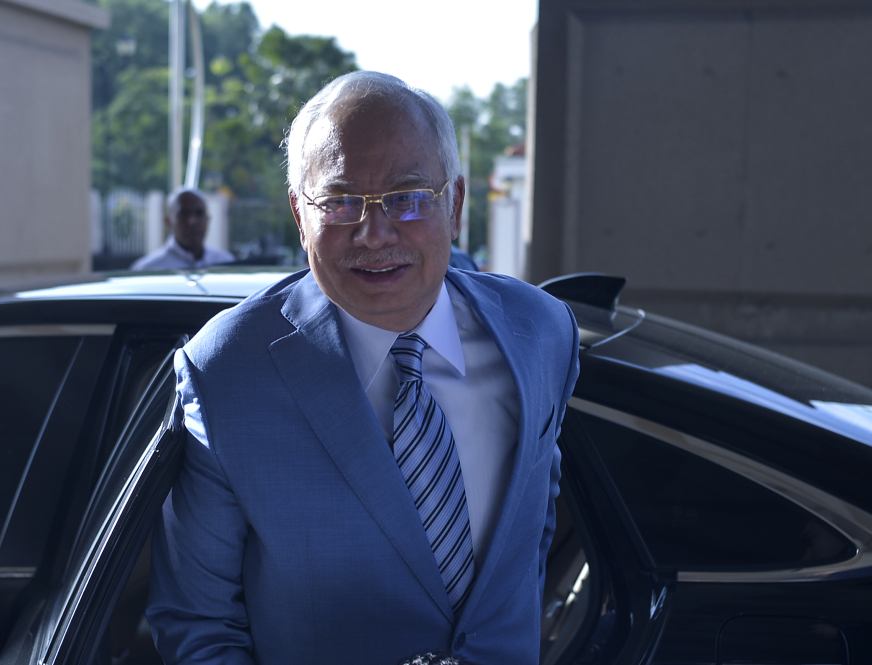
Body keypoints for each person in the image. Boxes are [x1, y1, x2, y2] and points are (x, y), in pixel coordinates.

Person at [146, 71, 580, 665]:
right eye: (342, 200)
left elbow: (532, 537)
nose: (374, 234)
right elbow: (198, 626)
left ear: (454, 204)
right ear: (300, 215)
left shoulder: (541, 332)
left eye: (407, 197)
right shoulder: (226, 373)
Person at [130, 187, 234, 270]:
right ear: (168, 222)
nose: (192, 221)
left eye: (199, 213)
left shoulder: (227, 264)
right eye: (184, 214)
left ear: (208, 219)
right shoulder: (148, 270)